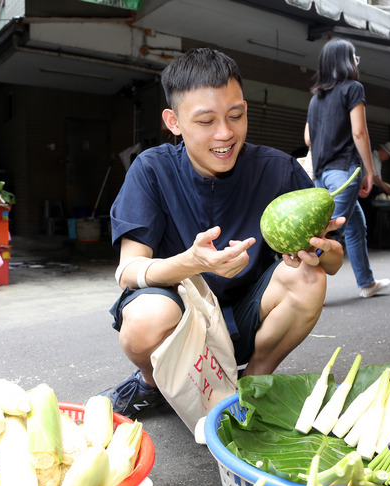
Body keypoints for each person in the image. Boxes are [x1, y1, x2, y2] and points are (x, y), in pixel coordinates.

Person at [102, 48, 345, 417]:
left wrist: (320, 250)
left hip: (248, 317)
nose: (225, 134)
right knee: (143, 320)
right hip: (179, 316)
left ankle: (249, 389)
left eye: (236, 115)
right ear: (174, 121)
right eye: (205, 121)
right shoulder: (151, 169)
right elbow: (129, 271)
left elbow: (334, 264)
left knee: (308, 278)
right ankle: (153, 383)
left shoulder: (279, 171)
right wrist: (190, 262)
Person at [304, 38, 390, 299]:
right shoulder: (353, 88)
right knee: (330, 236)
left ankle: (367, 283)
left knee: (354, 226)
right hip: (344, 172)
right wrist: (370, 172)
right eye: (355, 56)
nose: (356, 61)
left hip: (321, 175)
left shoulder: (315, 99)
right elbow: (359, 132)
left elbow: (308, 139)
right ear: (345, 61)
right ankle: (303, 293)